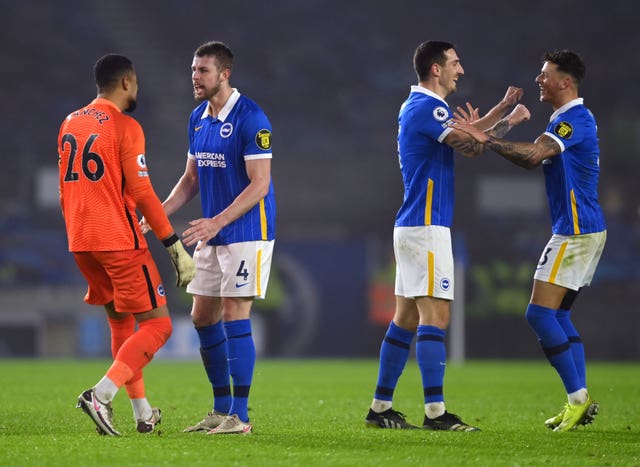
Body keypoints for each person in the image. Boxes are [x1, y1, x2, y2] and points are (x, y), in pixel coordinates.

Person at [365, 40, 530, 431]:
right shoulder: (428, 106)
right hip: (426, 228)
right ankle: (436, 413)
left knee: (404, 318)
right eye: (455, 63)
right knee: (436, 316)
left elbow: (468, 142)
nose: (460, 70)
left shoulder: (419, 108)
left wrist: (498, 113)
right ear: (436, 69)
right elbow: (470, 144)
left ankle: (380, 407)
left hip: (413, 226)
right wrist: (507, 120)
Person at [454, 49, 605, 432]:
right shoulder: (563, 121)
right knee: (558, 315)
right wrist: (494, 131)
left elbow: (535, 155)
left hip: (576, 231)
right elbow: (533, 152)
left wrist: (485, 140)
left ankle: (577, 399)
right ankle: (579, 400)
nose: (539, 80)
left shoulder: (575, 121)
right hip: (580, 229)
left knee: (538, 314)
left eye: (545, 74)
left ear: (565, 82)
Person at [57, 54, 195, 436]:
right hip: (117, 239)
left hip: (80, 240)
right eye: (136, 82)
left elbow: (64, 187)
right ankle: (101, 395)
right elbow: (142, 191)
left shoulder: (70, 122)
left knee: (121, 322)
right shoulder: (125, 125)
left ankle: (142, 414)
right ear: (126, 83)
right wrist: (173, 245)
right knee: (159, 325)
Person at [142, 41, 275, 435]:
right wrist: (158, 213)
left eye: (202, 71)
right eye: (193, 70)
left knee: (235, 313)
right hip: (212, 234)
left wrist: (217, 222)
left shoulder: (253, 118)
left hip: (247, 232)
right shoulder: (198, 118)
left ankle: (241, 416)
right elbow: (190, 180)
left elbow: (260, 185)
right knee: (202, 316)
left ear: (224, 73)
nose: (195, 77)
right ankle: (220, 410)